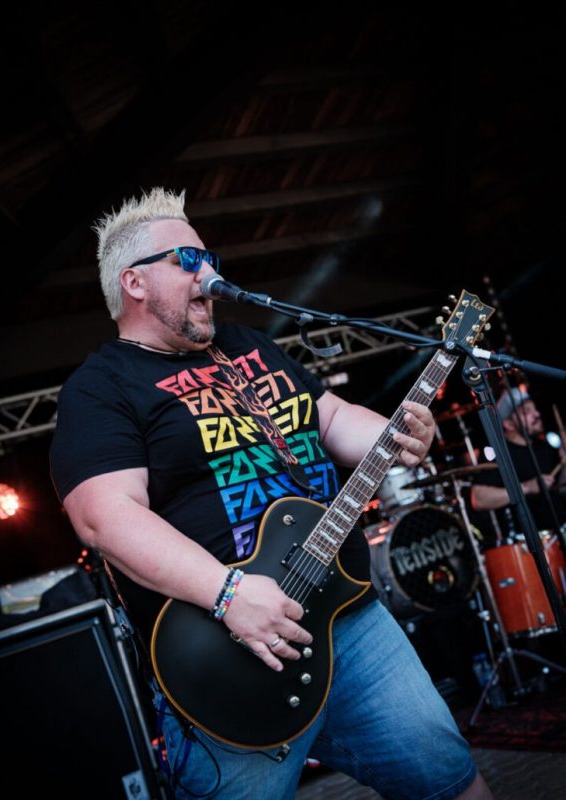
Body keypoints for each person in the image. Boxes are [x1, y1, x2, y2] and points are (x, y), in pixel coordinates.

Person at [49, 188, 492, 800]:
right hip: (227, 656)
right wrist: (227, 592)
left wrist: (401, 434)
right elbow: (105, 517)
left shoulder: (249, 346)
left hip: (348, 618)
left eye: (211, 257)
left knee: (452, 781)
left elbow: (330, 419)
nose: (210, 272)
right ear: (135, 282)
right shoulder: (102, 388)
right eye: (188, 259)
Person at [471, 386, 566, 536]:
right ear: (509, 424)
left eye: (535, 409)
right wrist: (526, 487)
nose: (537, 414)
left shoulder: (544, 446)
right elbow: (478, 499)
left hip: (560, 530)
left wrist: (565, 462)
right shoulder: (499, 454)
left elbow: (561, 488)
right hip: (526, 541)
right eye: (527, 412)